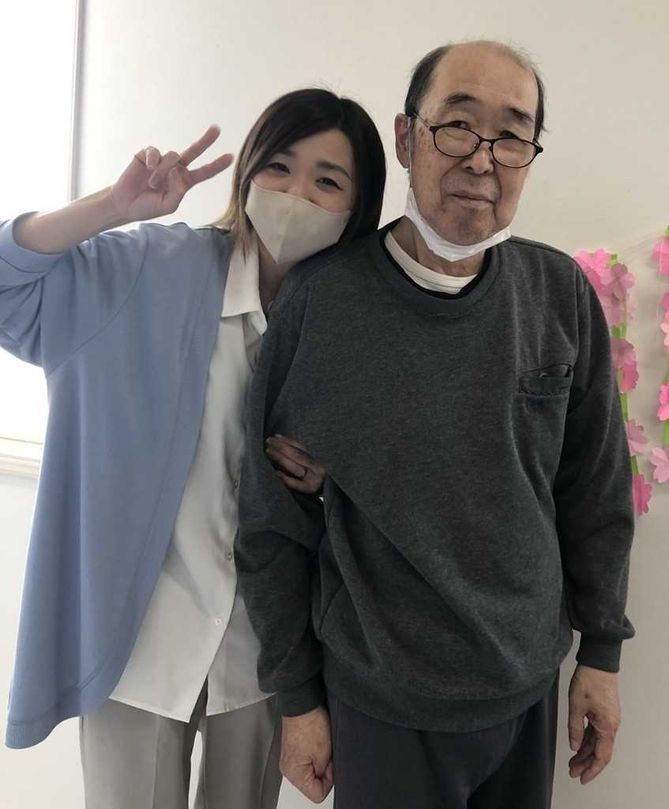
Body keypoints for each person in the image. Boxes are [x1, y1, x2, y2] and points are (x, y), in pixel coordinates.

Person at [237, 41, 634, 808]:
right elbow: (270, 520)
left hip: (527, 688)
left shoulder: (558, 294)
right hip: (381, 702)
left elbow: (595, 490)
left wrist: (603, 651)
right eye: (458, 124)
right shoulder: (324, 302)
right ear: (406, 136)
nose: (482, 158)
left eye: (512, 135)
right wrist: (296, 697)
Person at [0, 88, 386, 809]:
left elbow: (385, 481)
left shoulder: (353, 330)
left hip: (268, 653)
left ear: (356, 209)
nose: (296, 194)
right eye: (279, 167)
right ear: (247, 173)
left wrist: (332, 481)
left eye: (328, 180)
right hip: (139, 645)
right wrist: (111, 208)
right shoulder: (149, 269)